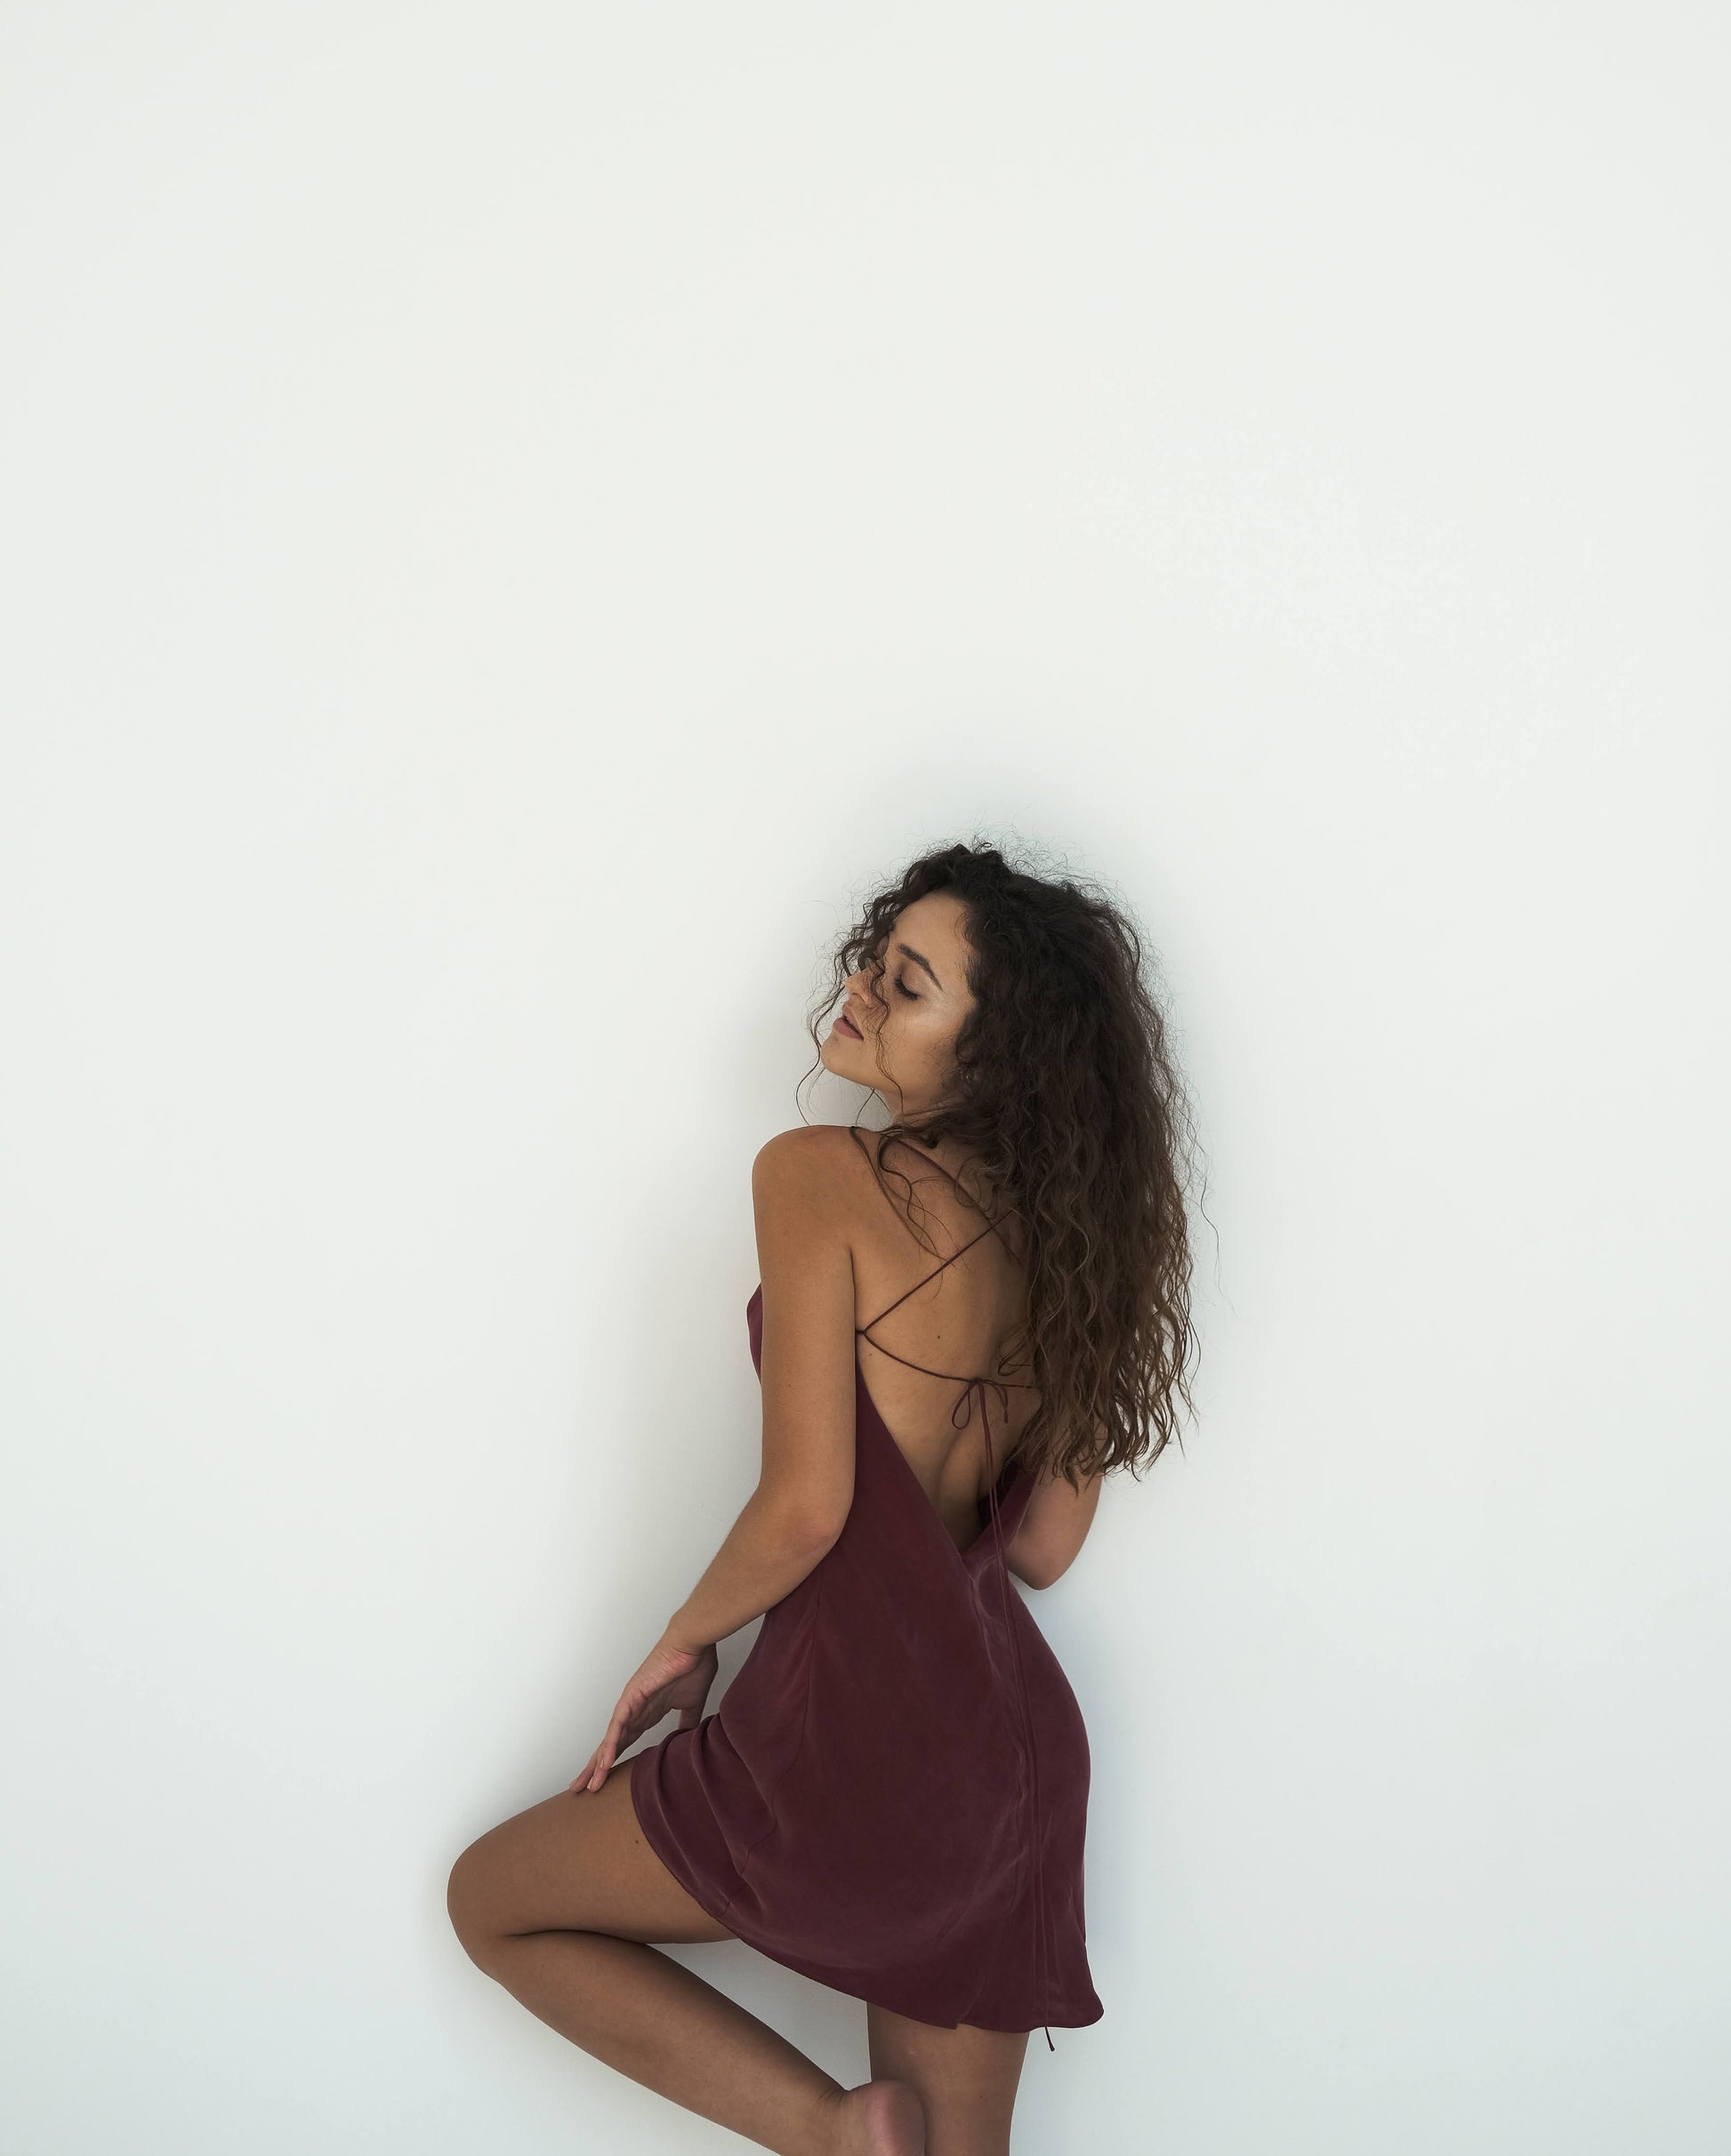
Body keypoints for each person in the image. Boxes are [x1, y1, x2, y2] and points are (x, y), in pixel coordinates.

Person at [447, 840, 1200, 2156]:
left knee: (492, 1900)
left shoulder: (818, 1176)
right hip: (1011, 1768)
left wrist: (683, 1642)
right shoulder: (1083, 1253)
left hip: (857, 1739)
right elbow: (1044, 1548)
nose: (858, 988)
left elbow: (806, 1505)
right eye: (875, 959)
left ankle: (830, 2132)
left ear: (997, 1051)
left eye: (905, 984)